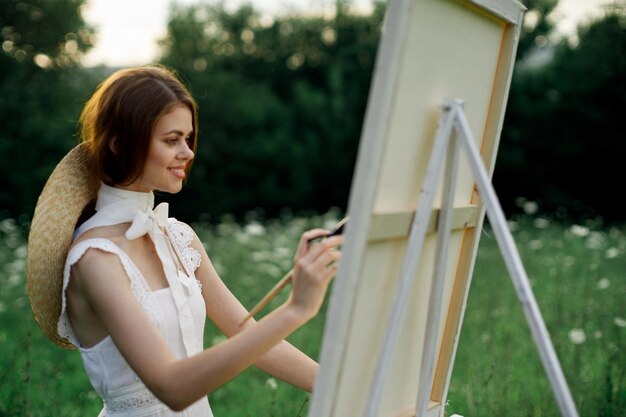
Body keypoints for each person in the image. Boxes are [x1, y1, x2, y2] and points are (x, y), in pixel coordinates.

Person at [26, 65, 343, 416]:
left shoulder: (179, 237)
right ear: (119, 144)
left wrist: (349, 392)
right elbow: (172, 387)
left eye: (188, 139)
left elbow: (249, 337)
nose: (188, 153)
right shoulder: (94, 259)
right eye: (171, 140)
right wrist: (296, 309)